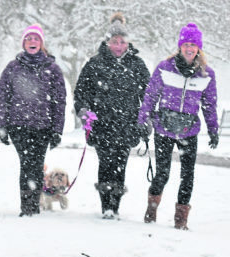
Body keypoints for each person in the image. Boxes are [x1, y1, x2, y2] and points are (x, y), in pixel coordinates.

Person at [138, 23, 219, 230]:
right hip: (164, 128)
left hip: (188, 131)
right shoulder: (165, 68)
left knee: (187, 176)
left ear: (199, 48)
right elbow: (150, 96)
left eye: (193, 44)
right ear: (180, 46)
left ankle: (180, 220)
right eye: (186, 44)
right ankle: (151, 210)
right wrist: (143, 120)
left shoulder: (206, 74)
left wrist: (213, 129)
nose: (189, 48)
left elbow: (210, 104)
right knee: (162, 174)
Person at [74, 13, 150, 219]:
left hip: (127, 124)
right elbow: (81, 92)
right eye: (114, 41)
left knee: (120, 164)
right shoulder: (95, 63)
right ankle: (106, 206)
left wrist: (147, 118)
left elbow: (149, 95)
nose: (118, 45)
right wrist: (84, 111)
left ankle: (115, 206)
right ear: (108, 42)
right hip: (102, 125)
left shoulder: (137, 65)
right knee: (105, 163)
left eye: (122, 42)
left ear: (128, 43)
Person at [0, 24, 66, 217]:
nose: (32, 42)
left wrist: (57, 129)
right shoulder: (12, 67)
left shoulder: (53, 69)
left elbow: (60, 102)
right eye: (29, 38)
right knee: (27, 164)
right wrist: (1, 125)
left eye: (36, 38)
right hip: (18, 125)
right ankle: (27, 207)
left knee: (36, 164)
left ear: (42, 43)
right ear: (23, 43)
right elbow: (2, 97)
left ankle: (33, 205)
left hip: (43, 126)